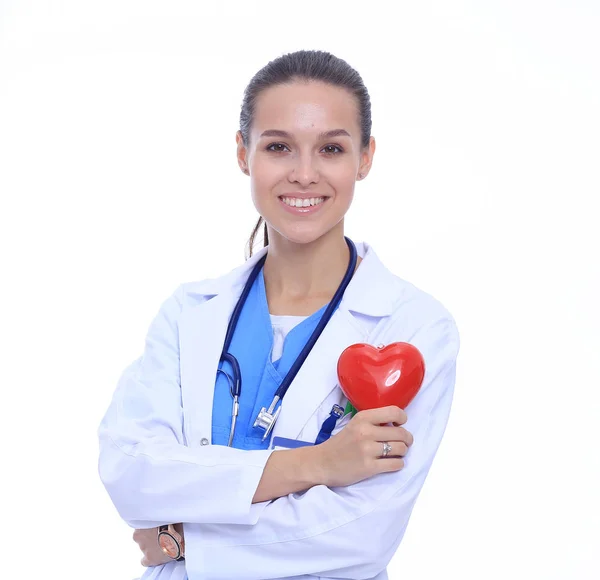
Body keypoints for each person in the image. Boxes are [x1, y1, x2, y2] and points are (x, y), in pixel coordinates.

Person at [98, 49, 460, 580]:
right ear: (244, 153)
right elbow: (131, 471)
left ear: (365, 157)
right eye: (279, 147)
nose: (305, 174)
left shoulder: (414, 327)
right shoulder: (190, 314)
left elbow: (363, 533)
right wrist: (316, 465)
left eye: (331, 148)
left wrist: (184, 541)